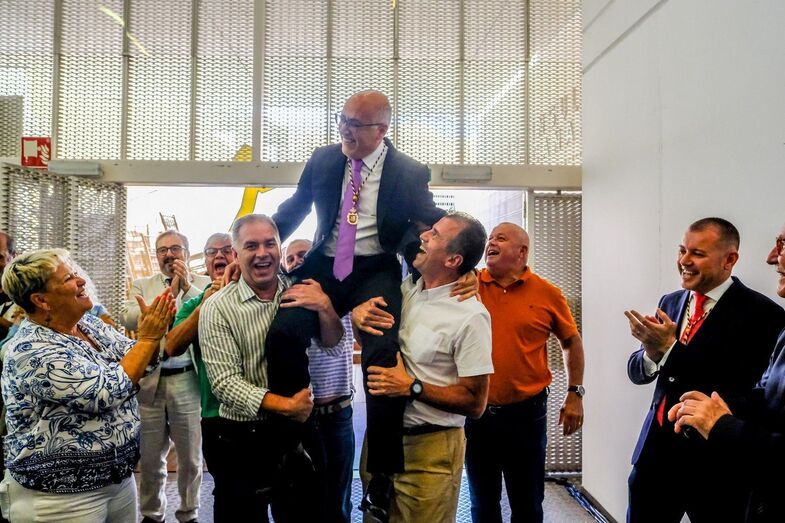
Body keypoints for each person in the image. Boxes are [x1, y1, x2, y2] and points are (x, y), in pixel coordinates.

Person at [268, 89, 446, 515]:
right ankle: (291, 442)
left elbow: (429, 216)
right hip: (326, 265)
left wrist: (466, 261)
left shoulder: (408, 171)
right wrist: (253, 243)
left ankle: (382, 474)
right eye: (341, 120)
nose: (344, 130)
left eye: (355, 124)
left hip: (374, 269)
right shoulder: (324, 159)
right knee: (283, 334)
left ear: (381, 130)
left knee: (382, 357)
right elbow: (294, 208)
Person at [624, 217, 785, 522]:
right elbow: (637, 371)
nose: (684, 261)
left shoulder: (764, 315)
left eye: (697, 254)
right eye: (682, 250)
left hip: (717, 465)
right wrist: (651, 354)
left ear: (729, 260)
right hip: (655, 456)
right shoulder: (670, 302)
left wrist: (670, 350)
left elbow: (751, 394)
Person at [0, 248, 173, 522]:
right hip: (58, 498)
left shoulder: (89, 325)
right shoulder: (29, 350)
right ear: (41, 300)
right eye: (69, 278)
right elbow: (105, 392)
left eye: (75, 273)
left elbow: (141, 363)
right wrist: (149, 338)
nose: (81, 280)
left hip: (117, 480)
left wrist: (149, 341)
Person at [198, 214, 343, 521]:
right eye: (251, 246)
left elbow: (332, 345)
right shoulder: (218, 307)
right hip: (242, 437)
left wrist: (326, 307)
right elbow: (224, 383)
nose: (262, 253)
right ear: (236, 254)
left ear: (279, 247)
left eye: (269, 244)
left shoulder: (300, 291)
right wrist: (287, 406)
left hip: (297, 431)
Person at [354, 212, 493, 522]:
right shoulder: (408, 290)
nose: (423, 237)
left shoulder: (470, 316)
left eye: (435, 235)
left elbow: (475, 403)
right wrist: (357, 319)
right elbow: (372, 341)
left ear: (453, 260)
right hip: (380, 441)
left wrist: (411, 387)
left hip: (430, 451)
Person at [465, 222, 585, 523]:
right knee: (482, 503)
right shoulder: (470, 284)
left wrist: (575, 394)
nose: (491, 242)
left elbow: (571, 342)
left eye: (500, 238)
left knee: (528, 503)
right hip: (477, 415)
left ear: (521, 252)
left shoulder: (547, 293)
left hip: (526, 416)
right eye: (490, 238)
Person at [121, 229, 210, 523]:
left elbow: (211, 311)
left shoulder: (203, 284)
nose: (169, 255)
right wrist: (167, 297)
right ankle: (151, 513)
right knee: (150, 457)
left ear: (186, 251)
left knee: (191, 457)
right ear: (156, 256)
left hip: (187, 380)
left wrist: (187, 288)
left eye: (175, 248)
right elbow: (128, 317)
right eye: (162, 250)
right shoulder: (143, 284)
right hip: (150, 381)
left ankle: (189, 512)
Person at [283, 239, 356, 523]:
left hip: (337, 414)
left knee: (338, 502)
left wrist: (324, 305)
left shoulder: (338, 293)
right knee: (300, 500)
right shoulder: (283, 300)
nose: (296, 262)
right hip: (300, 418)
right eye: (290, 259)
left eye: (302, 255)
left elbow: (335, 346)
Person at [165, 232, 234, 519]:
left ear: (238, 256)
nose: (219, 256)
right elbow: (172, 345)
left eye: (227, 250)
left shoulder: (263, 295)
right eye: (211, 252)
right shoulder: (196, 303)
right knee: (229, 494)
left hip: (266, 415)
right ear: (205, 262)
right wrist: (206, 302)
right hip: (217, 416)